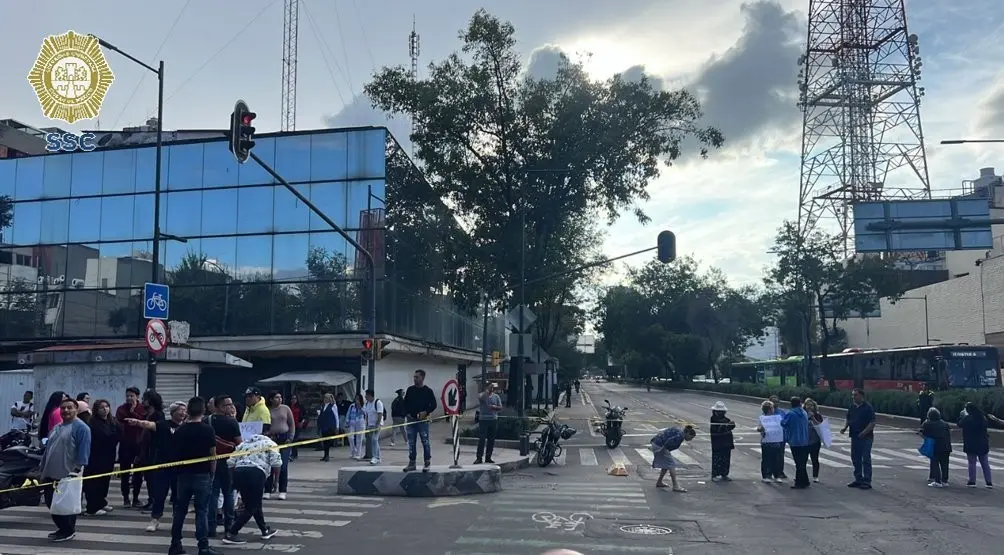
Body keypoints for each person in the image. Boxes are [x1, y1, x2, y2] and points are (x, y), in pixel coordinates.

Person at [168, 397, 220, 555]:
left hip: (183, 475)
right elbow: (213, 455)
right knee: (201, 511)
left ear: (188, 411)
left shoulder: (180, 430)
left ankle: (175, 544)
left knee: (180, 510)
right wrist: (212, 473)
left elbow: (174, 454)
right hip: (202, 475)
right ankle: (203, 546)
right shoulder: (207, 430)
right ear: (203, 410)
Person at [126, 399, 183, 533]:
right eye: (180, 410)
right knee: (159, 494)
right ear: (173, 412)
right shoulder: (163, 425)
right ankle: (155, 519)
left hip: (180, 467)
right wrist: (137, 422)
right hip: (162, 465)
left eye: (185, 411)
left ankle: (177, 519)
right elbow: (150, 425)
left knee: (179, 495)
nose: (183, 413)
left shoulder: (186, 426)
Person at [39, 397, 91, 542]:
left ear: (76, 410)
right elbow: (48, 449)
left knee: (65, 504)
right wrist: (42, 467)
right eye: (63, 408)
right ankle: (62, 528)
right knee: (52, 503)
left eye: (70, 408)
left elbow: (84, 451)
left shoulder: (82, 428)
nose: (66, 410)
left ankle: (67, 530)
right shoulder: (57, 427)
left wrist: (76, 470)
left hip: (67, 473)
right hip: (50, 472)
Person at [222, 433, 281, 545]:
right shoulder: (270, 443)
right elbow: (276, 463)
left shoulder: (243, 444)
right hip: (256, 473)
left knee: (254, 504)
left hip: (239, 472)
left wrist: (232, 479)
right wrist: (275, 481)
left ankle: (265, 530)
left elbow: (230, 462)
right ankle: (232, 532)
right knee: (252, 506)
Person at [207, 394, 242, 537]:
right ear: (220, 407)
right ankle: (229, 525)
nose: (231, 407)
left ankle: (211, 527)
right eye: (228, 404)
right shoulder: (231, 422)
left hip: (211, 461)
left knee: (213, 494)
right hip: (228, 462)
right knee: (228, 493)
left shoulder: (206, 420)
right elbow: (240, 444)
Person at [83, 399, 120, 516]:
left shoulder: (112, 421)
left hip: (109, 456)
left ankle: (101, 502)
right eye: (101, 407)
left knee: (105, 481)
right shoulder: (92, 423)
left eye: (107, 406)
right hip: (95, 457)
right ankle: (92, 507)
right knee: (94, 482)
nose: (105, 409)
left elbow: (118, 434)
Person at [115, 387, 146, 508]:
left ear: (137, 396)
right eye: (127, 396)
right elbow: (120, 423)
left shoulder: (142, 408)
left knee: (138, 473)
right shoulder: (121, 409)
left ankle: (136, 498)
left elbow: (144, 422)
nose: (129, 398)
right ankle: (126, 498)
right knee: (125, 472)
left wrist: (134, 412)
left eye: (131, 396)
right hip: (125, 444)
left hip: (139, 444)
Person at [957, 402, 1001, 489]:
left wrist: (964, 415)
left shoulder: (968, 418)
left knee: (972, 462)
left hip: (971, 443)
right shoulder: (982, 418)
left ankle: (972, 481)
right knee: (985, 463)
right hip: (982, 443)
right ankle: (989, 482)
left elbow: (959, 424)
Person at [840, 388, 876, 490]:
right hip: (854, 436)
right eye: (852, 395)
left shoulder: (867, 407)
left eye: (855, 395)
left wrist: (864, 432)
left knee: (866, 458)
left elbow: (872, 422)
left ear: (861, 396)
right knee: (855, 458)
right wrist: (845, 428)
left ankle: (867, 480)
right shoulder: (852, 407)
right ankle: (858, 478)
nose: (853, 397)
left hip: (866, 437)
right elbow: (848, 418)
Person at [403, 369, 437, 472]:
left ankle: (427, 462)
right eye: (414, 377)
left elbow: (434, 405)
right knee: (411, 443)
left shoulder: (428, 391)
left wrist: (426, 412)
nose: (415, 379)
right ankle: (412, 463)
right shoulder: (410, 390)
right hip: (411, 420)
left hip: (423, 421)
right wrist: (407, 414)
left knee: (425, 441)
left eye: (417, 377)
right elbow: (405, 404)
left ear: (422, 378)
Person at [265, 391, 295, 499]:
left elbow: (291, 424)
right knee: (270, 464)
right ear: (271, 399)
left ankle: (283, 490)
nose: (280, 399)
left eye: (280, 397)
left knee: (283, 465)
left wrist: (290, 437)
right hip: (272, 439)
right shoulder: (267, 410)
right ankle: (267, 489)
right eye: (277, 397)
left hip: (284, 438)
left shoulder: (286, 408)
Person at [650, 425, 697, 491]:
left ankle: (659, 482)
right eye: (691, 437)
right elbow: (669, 441)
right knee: (672, 465)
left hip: (656, 443)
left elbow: (664, 432)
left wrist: (653, 441)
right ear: (688, 433)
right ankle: (675, 486)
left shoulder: (679, 430)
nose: (690, 440)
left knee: (666, 465)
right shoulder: (680, 436)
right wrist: (661, 450)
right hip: (660, 445)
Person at [781, 397, 811, 489]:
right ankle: (805, 480)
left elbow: (783, 423)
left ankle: (799, 482)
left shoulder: (790, 413)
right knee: (802, 462)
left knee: (798, 463)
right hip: (805, 440)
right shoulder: (804, 413)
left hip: (795, 441)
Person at [921, 407, 952, 488]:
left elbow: (924, 434)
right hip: (946, 446)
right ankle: (944, 480)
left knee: (935, 463)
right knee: (945, 464)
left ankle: (937, 481)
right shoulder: (945, 424)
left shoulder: (928, 424)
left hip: (936, 446)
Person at [475, 382, 503, 464]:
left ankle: (488, 457)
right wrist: (487, 391)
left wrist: (495, 407)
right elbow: (481, 398)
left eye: (492, 387)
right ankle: (479, 457)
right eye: (490, 387)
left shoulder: (496, 396)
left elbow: (500, 407)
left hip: (493, 419)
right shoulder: (482, 395)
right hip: (483, 420)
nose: (491, 388)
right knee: (482, 439)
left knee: (491, 439)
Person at [758, 400, 784, 483]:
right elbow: (759, 428)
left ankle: (776, 475)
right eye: (772, 408)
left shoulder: (776, 418)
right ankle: (766, 475)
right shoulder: (762, 418)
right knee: (766, 459)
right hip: (767, 441)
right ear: (769, 409)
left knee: (776, 459)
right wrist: (760, 429)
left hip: (776, 441)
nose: (773, 409)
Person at [708, 401, 735, 481]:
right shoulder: (713, 419)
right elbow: (718, 429)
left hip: (726, 442)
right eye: (719, 411)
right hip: (718, 443)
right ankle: (714, 474)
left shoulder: (726, 419)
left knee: (726, 459)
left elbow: (728, 426)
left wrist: (730, 425)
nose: (720, 413)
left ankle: (724, 474)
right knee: (717, 458)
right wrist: (727, 426)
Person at [804, 398, 825, 483]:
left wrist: (812, 417)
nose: (809, 406)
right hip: (804, 441)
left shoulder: (818, 415)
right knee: (803, 460)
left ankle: (815, 476)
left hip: (815, 441)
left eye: (811, 405)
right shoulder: (802, 414)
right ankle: (802, 475)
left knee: (814, 459)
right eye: (807, 404)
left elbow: (820, 426)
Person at [363, 389, 384, 465]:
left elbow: (380, 414)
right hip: (370, 425)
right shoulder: (367, 404)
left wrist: (377, 425)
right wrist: (367, 425)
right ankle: (378, 457)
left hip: (377, 424)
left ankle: (375, 457)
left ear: (370, 395)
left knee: (374, 439)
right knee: (374, 440)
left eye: (366, 395)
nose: (365, 397)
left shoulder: (378, 403)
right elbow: (367, 415)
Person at [317, 393, 339, 462]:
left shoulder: (333, 406)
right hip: (324, 426)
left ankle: (327, 456)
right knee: (324, 441)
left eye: (326, 398)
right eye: (324, 398)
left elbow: (336, 417)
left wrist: (337, 427)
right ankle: (325, 455)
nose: (325, 399)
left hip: (330, 426)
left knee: (328, 442)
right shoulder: (323, 406)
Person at [346, 394, 366, 460]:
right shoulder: (352, 406)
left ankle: (358, 453)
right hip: (352, 422)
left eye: (358, 398)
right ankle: (353, 452)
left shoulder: (363, 405)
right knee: (350, 437)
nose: (356, 399)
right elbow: (348, 413)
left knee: (359, 438)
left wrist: (360, 407)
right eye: (355, 398)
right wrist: (347, 421)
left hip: (360, 422)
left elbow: (365, 413)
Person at [289, 395, 306, 461]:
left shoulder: (300, 406)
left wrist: (302, 422)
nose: (293, 400)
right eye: (292, 398)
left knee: (295, 439)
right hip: (290, 425)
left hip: (297, 425)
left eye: (295, 398)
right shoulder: (289, 406)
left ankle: (294, 454)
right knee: (291, 439)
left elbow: (304, 415)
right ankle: (292, 454)